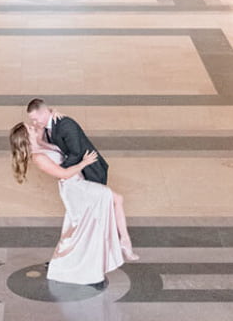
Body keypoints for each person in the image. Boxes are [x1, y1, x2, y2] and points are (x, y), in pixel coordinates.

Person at [9, 118, 138, 288]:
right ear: (27, 137)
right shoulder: (38, 157)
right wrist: (84, 163)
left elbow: (59, 131)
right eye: (30, 129)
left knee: (81, 227)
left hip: (78, 184)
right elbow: (63, 173)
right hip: (75, 189)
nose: (34, 128)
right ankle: (120, 245)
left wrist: (55, 116)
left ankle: (64, 262)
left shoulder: (42, 144)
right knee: (98, 215)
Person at [26, 97, 109, 184]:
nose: (34, 123)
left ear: (44, 113)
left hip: (91, 170)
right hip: (76, 173)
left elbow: (76, 153)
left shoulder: (66, 125)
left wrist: (60, 171)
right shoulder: (45, 127)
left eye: (35, 119)